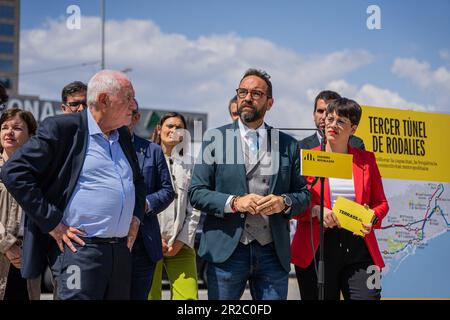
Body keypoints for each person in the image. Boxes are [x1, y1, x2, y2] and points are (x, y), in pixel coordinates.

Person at [0, 70, 146, 300]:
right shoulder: (62, 128)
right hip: (80, 252)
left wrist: (136, 217)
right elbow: (13, 172)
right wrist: (52, 222)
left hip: (119, 252)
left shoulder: (123, 137)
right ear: (104, 99)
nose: (134, 105)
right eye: (128, 97)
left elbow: (137, 181)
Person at [189, 69, 310, 300]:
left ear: (270, 102)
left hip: (272, 252)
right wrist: (234, 202)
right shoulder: (215, 139)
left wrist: (283, 202)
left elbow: (304, 195)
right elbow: (197, 192)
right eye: (242, 92)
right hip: (227, 251)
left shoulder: (289, 145)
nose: (247, 98)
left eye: (256, 93)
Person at [291, 98, 389, 300]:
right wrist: (316, 211)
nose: (332, 125)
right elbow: (295, 203)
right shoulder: (307, 158)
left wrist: (372, 216)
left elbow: (381, 204)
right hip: (317, 249)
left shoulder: (367, 160)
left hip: (359, 249)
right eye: (330, 118)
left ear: (353, 129)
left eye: (340, 121)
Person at [149, 112, 201, 300]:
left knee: (188, 299)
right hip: (148, 243)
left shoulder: (191, 164)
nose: (173, 130)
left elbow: (195, 208)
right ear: (159, 129)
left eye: (179, 127)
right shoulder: (146, 160)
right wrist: (154, 237)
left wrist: (180, 241)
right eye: (169, 126)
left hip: (181, 244)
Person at [128, 100, 175, 300]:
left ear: (137, 117)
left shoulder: (152, 151)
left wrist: (143, 204)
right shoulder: (98, 148)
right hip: (107, 245)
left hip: (142, 245)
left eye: (128, 112)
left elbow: (167, 191)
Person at [0, 107, 41, 300]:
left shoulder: (39, 173)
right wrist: (8, 245)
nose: (9, 132)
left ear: (31, 135)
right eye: (4, 127)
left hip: (28, 256)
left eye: (16, 128)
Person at [299, 90, 365, 150]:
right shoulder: (301, 146)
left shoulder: (356, 144)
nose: (324, 116)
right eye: (320, 111)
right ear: (313, 114)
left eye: (340, 121)